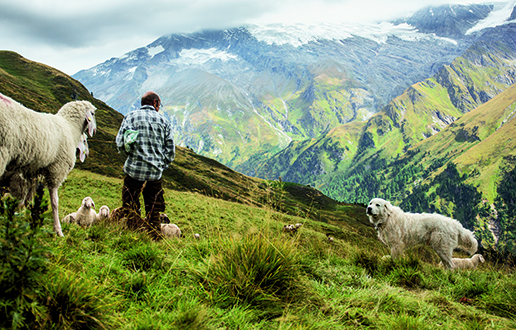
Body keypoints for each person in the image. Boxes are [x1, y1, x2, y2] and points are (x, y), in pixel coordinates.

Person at [116, 91, 175, 239]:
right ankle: (154, 237)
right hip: (155, 173)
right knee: (153, 208)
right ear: (155, 103)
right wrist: (161, 166)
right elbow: (170, 150)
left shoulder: (130, 117)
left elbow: (120, 142)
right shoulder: (164, 121)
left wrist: (130, 157)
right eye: (159, 104)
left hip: (134, 171)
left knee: (130, 205)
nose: (159, 107)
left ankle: (135, 236)